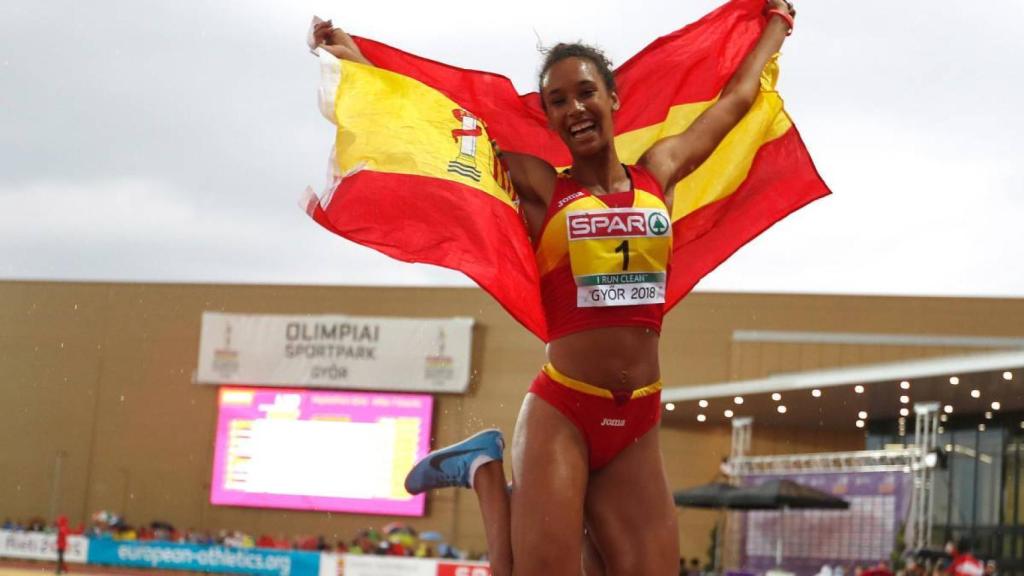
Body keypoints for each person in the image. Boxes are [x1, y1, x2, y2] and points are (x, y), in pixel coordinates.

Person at [311, 1, 796, 574]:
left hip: (637, 420)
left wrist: (776, 25)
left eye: (586, 92)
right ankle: (486, 473)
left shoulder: (660, 170)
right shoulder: (544, 189)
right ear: (549, 118)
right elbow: (441, 128)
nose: (576, 108)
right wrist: (360, 60)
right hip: (563, 411)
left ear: (613, 100)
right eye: (558, 101)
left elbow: (736, 100)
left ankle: (483, 470)